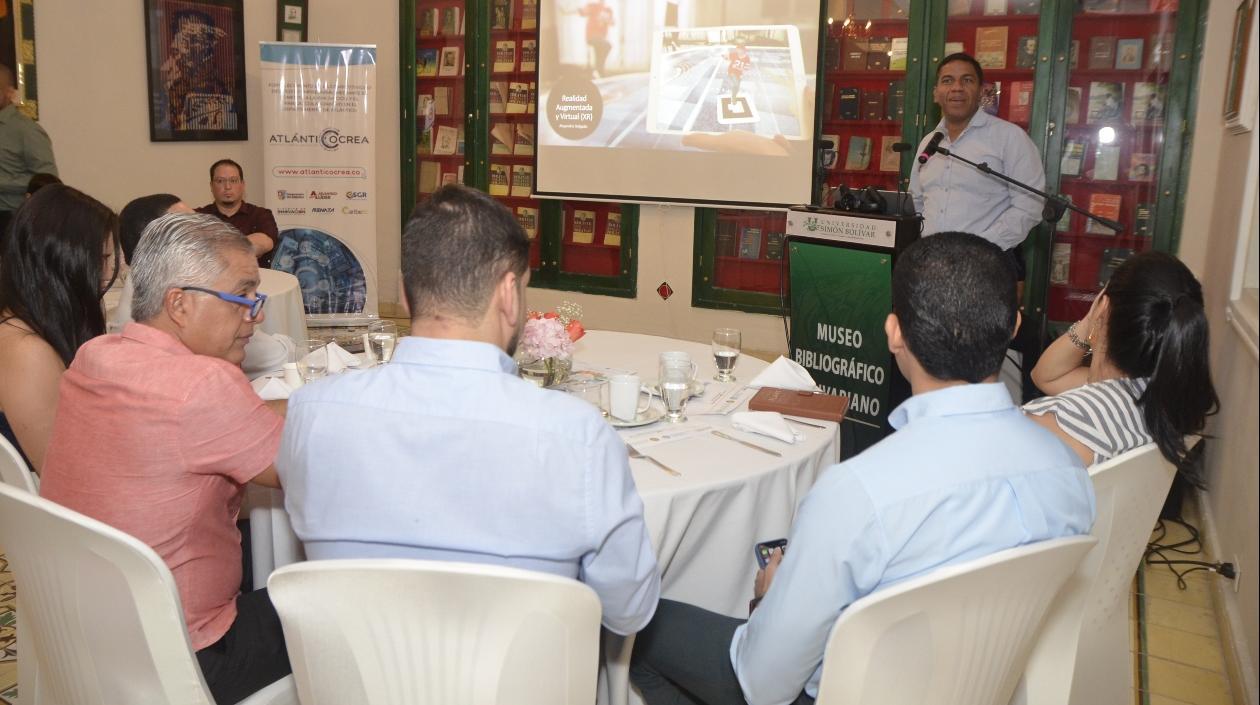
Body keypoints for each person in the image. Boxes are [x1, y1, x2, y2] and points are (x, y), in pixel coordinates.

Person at [629, 232, 1095, 705]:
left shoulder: (857, 492)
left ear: (894, 333)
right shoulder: (1069, 469)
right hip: (984, 687)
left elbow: (763, 685)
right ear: (1014, 325)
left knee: (633, 625)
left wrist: (770, 599)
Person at [276, 183, 660, 636]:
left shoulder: (311, 413)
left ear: (404, 292)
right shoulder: (577, 436)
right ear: (509, 295)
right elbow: (628, 612)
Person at [39, 213, 291, 705]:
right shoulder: (203, 385)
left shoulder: (96, 355)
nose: (255, 315)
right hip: (188, 657)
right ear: (179, 303)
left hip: (86, 636)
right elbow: (307, 470)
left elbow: (225, 422)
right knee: (354, 602)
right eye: (244, 296)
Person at [1024, 251, 1218, 474]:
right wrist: (1094, 322)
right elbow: (1045, 376)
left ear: (1103, 306)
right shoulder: (1164, 399)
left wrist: (1093, 320)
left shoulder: (1060, 420)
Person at [110, 193, 293, 377]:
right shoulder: (198, 381)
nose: (205, 232)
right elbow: (274, 356)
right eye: (189, 228)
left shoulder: (102, 352)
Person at [0, 184, 117, 472]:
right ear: (64, 260)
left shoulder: (28, 323)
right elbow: (64, 474)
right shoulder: (26, 350)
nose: (107, 274)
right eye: (101, 260)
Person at [908, 53, 1044, 262]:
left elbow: (1030, 206)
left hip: (986, 264)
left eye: (967, 80)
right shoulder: (928, 142)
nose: (957, 88)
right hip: (931, 263)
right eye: (947, 81)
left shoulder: (1009, 137)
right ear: (936, 93)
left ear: (981, 92)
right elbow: (916, 201)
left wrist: (980, 249)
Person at [0, 64, 58, 232]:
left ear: (10, 93)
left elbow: (47, 180)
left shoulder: (25, 130)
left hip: (11, 220)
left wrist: (3, 183)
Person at [197, 159, 281, 267]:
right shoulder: (199, 216)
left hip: (257, 281)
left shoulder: (260, 214)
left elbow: (265, 243)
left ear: (242, 185)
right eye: (220, 181)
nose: (227, 187)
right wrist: (246, 246)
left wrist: (213, 248)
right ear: (211, 186)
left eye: (233, 180)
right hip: (210, 282)